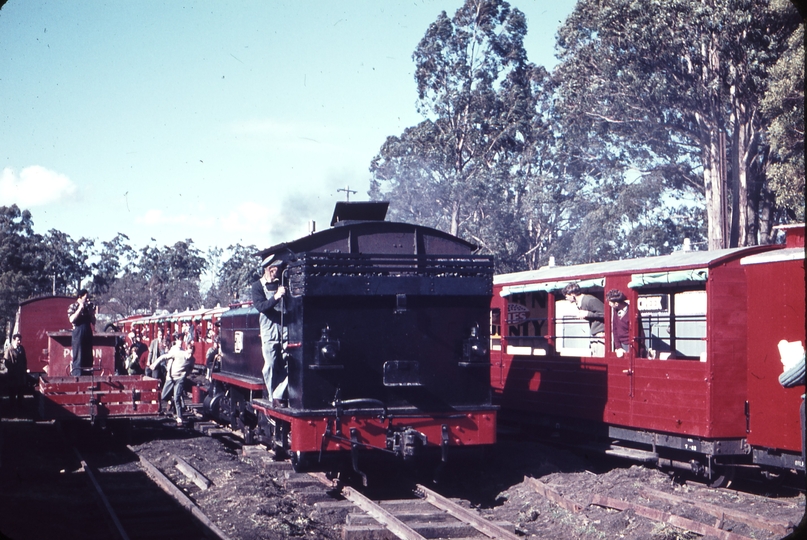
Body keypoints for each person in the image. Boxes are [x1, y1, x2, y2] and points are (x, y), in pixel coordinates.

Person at [251, 254, 289, 406]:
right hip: (269, 330)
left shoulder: (283, 282)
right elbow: (261, 307)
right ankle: (273, 397)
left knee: (293, 365)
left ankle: (280, 394)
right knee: (271, 365)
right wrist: (276, 297)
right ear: (269, 269)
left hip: (286, 329)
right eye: (276, 269)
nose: (278, 271)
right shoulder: (257, 286)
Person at [149, 335, 195, 426]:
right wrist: (154, 364)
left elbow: (190, 369)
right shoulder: (178, 353)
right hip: (171, 378)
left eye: (192, 353)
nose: (190, 355)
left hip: (180, 379)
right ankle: (171, 400)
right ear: (186, 350)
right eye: (189, 352)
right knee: (163, 396)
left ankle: (179, 417)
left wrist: (185, 374)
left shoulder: (192, 359)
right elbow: (163, 357)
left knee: (177, 397)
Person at [562, 283, 605, 356]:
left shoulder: (589, 300)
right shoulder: (581, 302)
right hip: (595, 334)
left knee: (600, 356)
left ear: (572, 294)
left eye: (567, 296)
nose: (566, 298)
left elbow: (605, 314)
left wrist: (587, 314)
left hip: (601, 334)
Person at [67, 289, 96, 376]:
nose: (88, 300)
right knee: (78, 355)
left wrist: (91, 313)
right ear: (80, 297)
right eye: (86, 298)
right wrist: (80, 308)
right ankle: (77, 375)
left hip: (87, 331)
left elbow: (94, 322)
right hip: (78, 332)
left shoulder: (89, 307)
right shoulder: (73, 306)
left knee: (88, 355)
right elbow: (71, 319)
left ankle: (88, 375)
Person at [1, 333, 28, 410]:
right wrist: (12, 369)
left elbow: (24, 359)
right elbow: (6, 362)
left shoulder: (21, 348)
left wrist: (24, 368)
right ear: (14, 340)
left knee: (20, 390)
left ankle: (20, 405)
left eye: (20, 340)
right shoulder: (9, 350)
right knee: (12, 390)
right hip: (13, 374)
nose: (19, 342)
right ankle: (12, 406)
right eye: (18, 340)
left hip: (20, 374)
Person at [606, 289, 631, 357]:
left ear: (616, 303)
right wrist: (618, 347)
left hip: (631, 345)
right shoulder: (615, 310)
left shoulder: (632, 312)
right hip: (621, 345)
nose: (609, 304)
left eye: (610, 302)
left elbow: (639, 333)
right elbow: (615, 329)